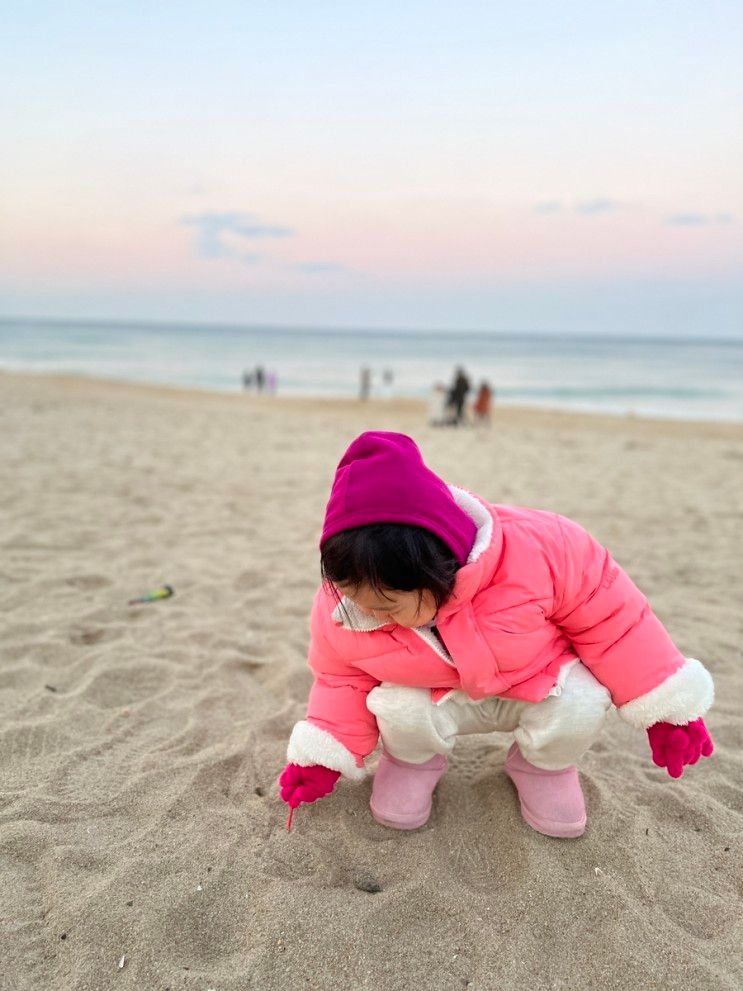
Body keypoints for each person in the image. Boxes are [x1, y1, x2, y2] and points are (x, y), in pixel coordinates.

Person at [279, 432, 715, 837]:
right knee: (393, 703)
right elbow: (341, 679)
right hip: (433, 696)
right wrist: (325, 754)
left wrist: (665, 710)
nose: (370, 613)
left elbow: (615, 624)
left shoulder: (548, 548)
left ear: (434, 571)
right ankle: (414, 763)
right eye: (357, 599)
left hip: (533, 682)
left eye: (387, 605)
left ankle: (543, 767)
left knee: (582, 698)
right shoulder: (343, 607)